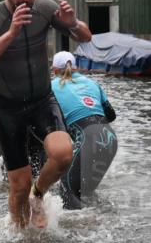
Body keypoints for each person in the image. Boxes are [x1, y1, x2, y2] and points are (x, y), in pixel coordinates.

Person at [0, 0, 92, 229]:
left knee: (63, 154)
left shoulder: (45, 9)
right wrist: (11, 33)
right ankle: (19, 235)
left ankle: (39, 195)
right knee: (18, 186)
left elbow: (86, 37)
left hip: (41, 101)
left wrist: (73, 24)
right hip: (5, 108)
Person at [49, 51, 118, 209]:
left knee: (67, 191)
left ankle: (83, 229)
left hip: (87, 138)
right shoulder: (92, 84)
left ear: (54, 70)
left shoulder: (51, 87)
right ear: (76, 68)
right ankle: (100, 224)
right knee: (84, 193)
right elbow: (111, 115)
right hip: (110, 139)